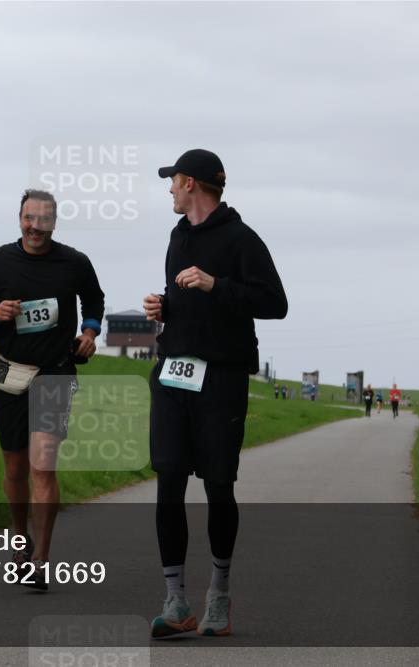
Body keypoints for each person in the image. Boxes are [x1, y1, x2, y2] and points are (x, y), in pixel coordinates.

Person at [143, 149, 287, 637]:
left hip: (221, 379)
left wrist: (215, 284)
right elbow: (185, 300)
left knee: (219, 487)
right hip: (172, 374)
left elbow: (274, 302)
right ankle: (175, 599)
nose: (169, 190)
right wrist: (164, 306)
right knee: (167, 482)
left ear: (192, 184)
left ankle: (219, 595)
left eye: (173, 181)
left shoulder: (242, 239)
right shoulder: (176, 237)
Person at [0, 189, 105, 591]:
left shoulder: (75, 262)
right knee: (14, 468)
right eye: (29, 218)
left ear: (54, 223)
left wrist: (90, 331)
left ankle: (40, 560)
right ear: (20, 219)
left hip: (55, 373)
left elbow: (94, 300)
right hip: (9, 374)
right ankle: (19, 538)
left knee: (43, 465)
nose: (35, 227)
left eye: (43, 220)